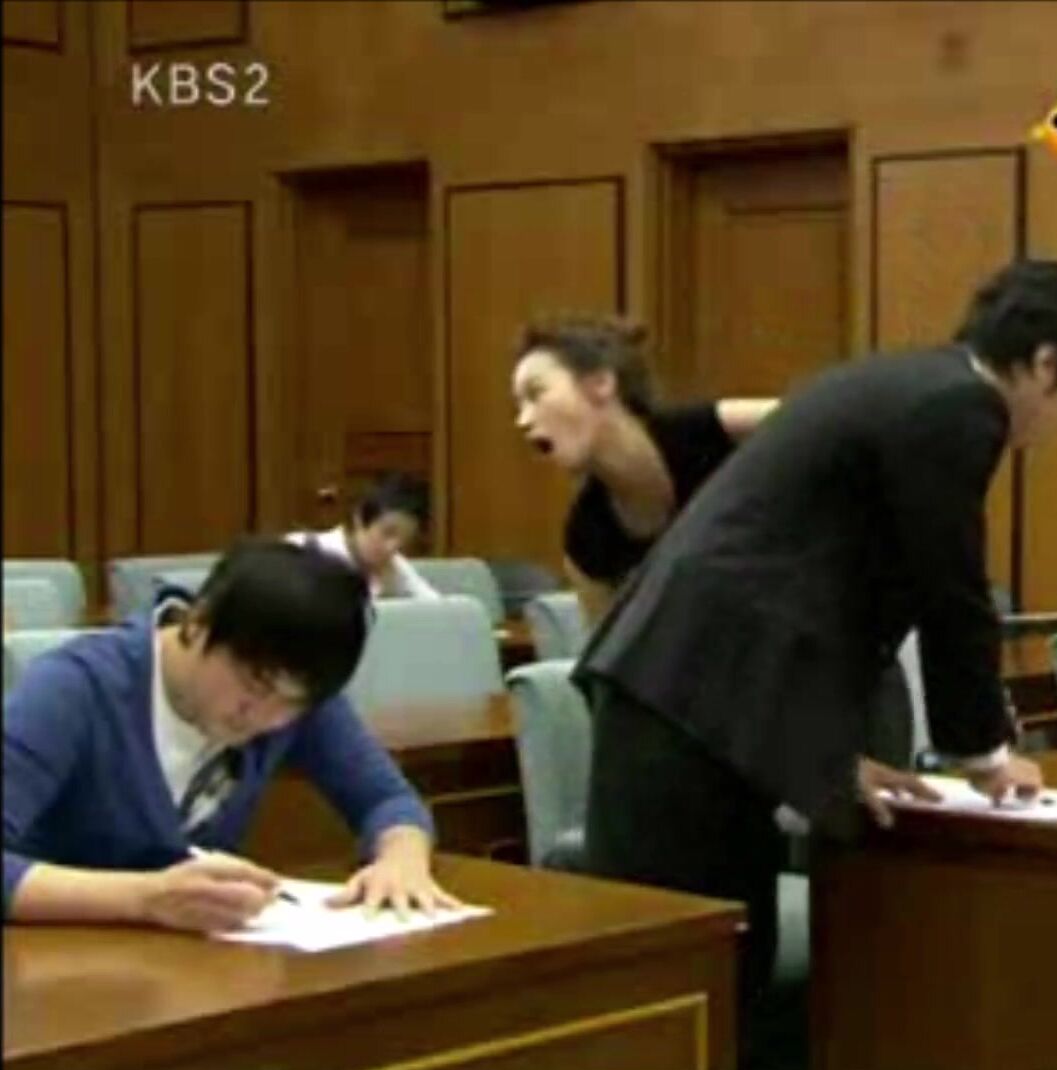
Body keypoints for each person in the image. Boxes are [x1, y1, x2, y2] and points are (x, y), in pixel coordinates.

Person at [571, 259, 1057, 1070]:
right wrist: (985, 752)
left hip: (690, 694)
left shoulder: (900, 382)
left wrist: (830, 758)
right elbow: (950, 585)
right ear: (1045, 363)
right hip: (687, 699)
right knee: (686, 982)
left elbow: (803, 579)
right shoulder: (959, 406)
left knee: (717, 978)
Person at [3, 538, 458, 930]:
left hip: (189, 966)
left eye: (293, 704)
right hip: (49, 964)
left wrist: (401, 860)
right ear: (198, 624)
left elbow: (386, 799)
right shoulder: (75, 687)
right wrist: (144, 898)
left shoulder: (293, 698)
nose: (266, 718)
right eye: (254, 686)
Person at [510, 313, 776, 625]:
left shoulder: (712, 430)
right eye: (519, 406)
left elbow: (818, 421)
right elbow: (611, 649)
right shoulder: (586, 539)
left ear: (601, 383)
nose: (522, 421)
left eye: (536, 394)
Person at [288, 473, 439, 600]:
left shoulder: (394, 567)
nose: (392, 548)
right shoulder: (301, 551)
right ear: (359, 518)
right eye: (387, 533)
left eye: (404, 540)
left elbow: (438, 610)